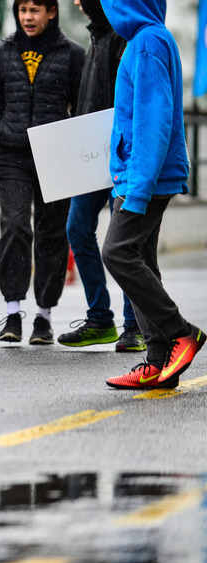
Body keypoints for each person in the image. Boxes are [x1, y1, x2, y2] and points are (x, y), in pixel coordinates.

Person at [100, 0, 204, 389]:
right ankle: (158, 362)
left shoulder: (147, 42)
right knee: (140, 256)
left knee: (116, 252)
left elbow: (153, 121)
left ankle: (180, 332)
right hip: (139, 176)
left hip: (145, 180)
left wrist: (136, 190)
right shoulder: (145, 40)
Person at [0, 0, 84, 345]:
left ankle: (44, 316)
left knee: (52, 233)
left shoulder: (71, 53)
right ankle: (13, 313)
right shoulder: (3, 51)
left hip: (55, 155)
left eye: (35, 10)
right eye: (23, 9)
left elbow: (82, 105)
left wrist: (75, 155)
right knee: (14, 227)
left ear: (51, 12)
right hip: (11, 155)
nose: (28, 17)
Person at [57, 0, 142, 353]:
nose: (77, 2)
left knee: (123, 244)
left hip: (119, 155)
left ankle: (135, 327)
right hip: (91, 156)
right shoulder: (96, 36)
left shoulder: (123, 36)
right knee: (77, 229)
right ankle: (100, 320)